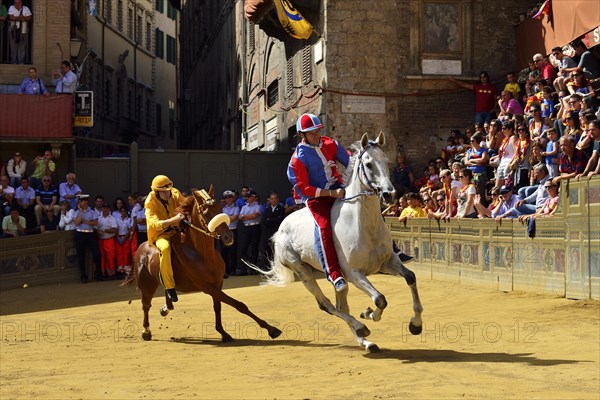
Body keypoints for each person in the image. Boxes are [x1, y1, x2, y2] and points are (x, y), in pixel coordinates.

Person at [144, 175, 186, 302]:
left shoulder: (175, 192)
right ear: (157, 191)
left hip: (178, 230)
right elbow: (154, 224)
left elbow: (185, 205)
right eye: (164, 191)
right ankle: (169, 287)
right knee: (165, 248)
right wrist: (173, 220)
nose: (168, 193)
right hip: (161, 235)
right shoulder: (149, 203)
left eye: (169, 190)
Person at [74, 195, 102, 283]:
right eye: (80, 201)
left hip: (90, 234)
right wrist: (81, 211)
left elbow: (96, 223)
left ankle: (99, 274)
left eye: (83, 201)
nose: (82, 203)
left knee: (97, 253)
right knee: (81, 255)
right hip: (80, 233)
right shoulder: (77, 212)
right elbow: (77, 222)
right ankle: (83, 276)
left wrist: (85, 222)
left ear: (86, 202)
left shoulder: (92, 211)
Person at [237, 189, 262, 275]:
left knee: (254, 248)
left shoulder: (258, 206)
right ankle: (244, 269)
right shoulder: (244, 207)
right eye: (247, 196)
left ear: (254, 197)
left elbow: (255, 216)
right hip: (246, 228)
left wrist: (245, 216)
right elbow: (240, 217)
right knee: (243, 248)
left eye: (249, 196)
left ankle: (253, 269)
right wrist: (248, 216)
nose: (248, 198)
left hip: (255, 227)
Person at [260, 191, 285, 268]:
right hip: (267, 233)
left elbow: (279, 220)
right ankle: (267, 267)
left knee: (276, 250)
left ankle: (278, 267)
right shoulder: (267, 209)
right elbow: (264, 220)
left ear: (278, 199)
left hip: (276, 232)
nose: (273, 200)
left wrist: (269, 220)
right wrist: (272, 220)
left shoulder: (281, 208)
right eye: (272, 199)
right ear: (269, 200)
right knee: (266, 250)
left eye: (275, 199)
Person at [220, 190, 240, 277]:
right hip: (224, 232)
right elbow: (221, 220)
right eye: (226, 198)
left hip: (232, 230)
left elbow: (234, 218)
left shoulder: (236, 208)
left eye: (230, 197)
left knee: (233, 251)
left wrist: (225, 218)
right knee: (224, 252)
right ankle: (226, 270)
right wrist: (228, 218)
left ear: (233, 198)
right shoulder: (223, 209)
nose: (228, 199)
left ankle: (233, 270)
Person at [96, 204, 118, 279]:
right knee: (101, 257)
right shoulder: (98, 218)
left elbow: (114, 230)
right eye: (104, 208)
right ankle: (102, 273)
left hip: (109, 239)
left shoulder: (112, 219)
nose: (105, 210)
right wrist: (98, 232)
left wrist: (106, 230)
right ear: (102, 209)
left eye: (107, 208)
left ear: (109, 209)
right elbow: (95, 228)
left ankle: (111, 274)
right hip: (100, 239)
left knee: (110, 256)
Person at [7, 0, 32, 64]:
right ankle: (13, 63)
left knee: (22, 48)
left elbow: (29, 18)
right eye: (15, 2)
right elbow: (10, 17)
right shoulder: (11, 7)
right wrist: (21, 18)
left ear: (21, 3)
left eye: (19, 2)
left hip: (23, 31)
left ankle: (21, 63)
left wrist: (23, 17)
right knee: (13, 48)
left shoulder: (26, 8)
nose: (17, 4)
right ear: (14, 3)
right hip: (13, 31)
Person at [115, 206, 133, 276]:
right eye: (122, 211)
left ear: (127, 212)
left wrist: (124, 238)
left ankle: (126, 271)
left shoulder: (129, 220)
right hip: (119, 237)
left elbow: (129, 230)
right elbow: (115, 229)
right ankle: (120, 270)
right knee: (119, 253)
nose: (123, 212)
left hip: (126, 238)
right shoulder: (117, 219)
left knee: (126, 253)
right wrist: (118, 237)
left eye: (124, 211)